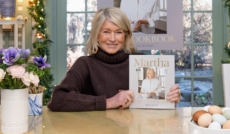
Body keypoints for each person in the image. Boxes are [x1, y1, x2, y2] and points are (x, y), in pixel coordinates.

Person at [47, 7, 179, 111]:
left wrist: (169, 98)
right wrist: (109, 102)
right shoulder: (85, 64)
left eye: (119, 32)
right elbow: (58, 100)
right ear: (96, 35)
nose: (112, 38)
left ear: (126, 36)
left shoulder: (141, 61)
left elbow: (153, 104)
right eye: (106, 31)